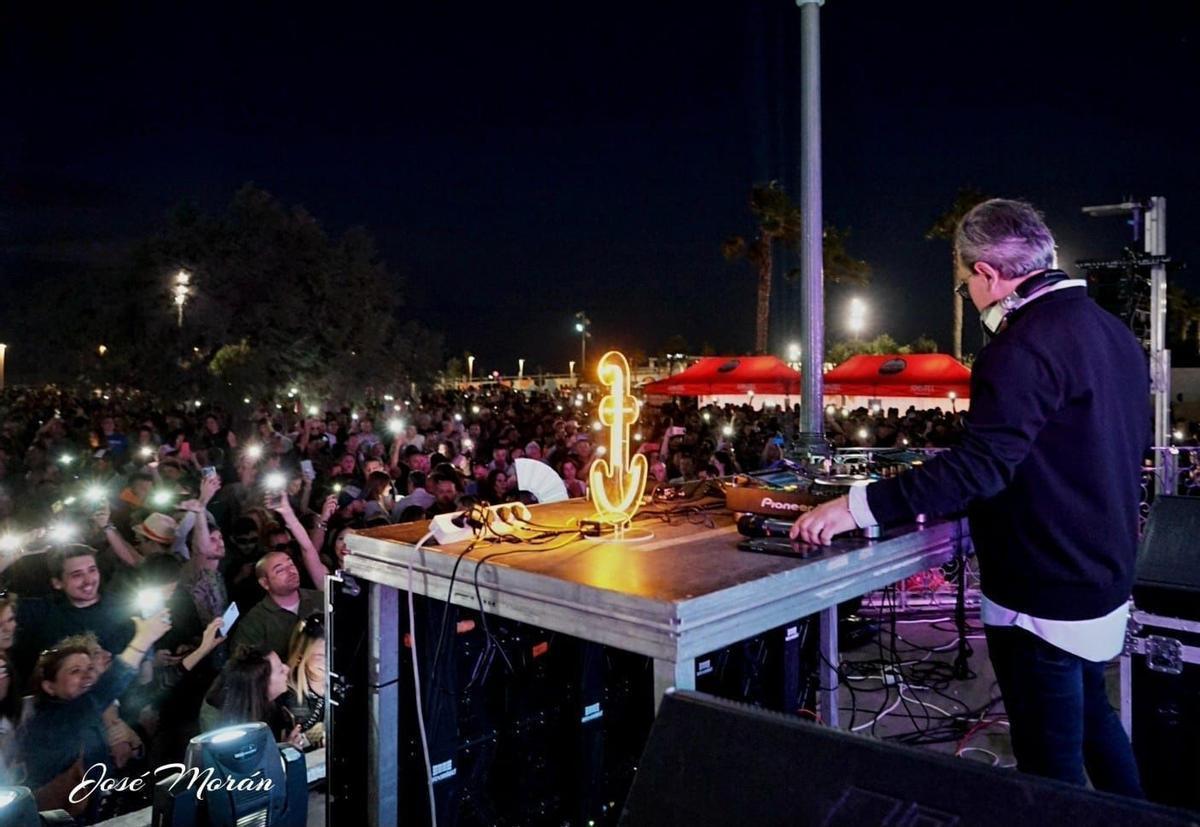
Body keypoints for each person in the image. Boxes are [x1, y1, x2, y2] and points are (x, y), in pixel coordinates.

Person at [792, 199, 1148, 797]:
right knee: (1097, 724)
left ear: (986, 273)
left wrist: (855, 507)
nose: (970, 296)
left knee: (1050, 778)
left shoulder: (1022, 346)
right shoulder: (1111, 332)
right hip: (1103, 572)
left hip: (1044, 591)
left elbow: (979, 469)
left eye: (966, 285)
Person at [15, 609, 171, 814]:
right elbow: (98, 696)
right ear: (49, 686)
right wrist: (142, 640)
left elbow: (123, 763)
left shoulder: (96, 716)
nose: (87, 676)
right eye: (75, 671)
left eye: (90, 668)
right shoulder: (49, 721)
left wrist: (135, 744)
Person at [229, 551, 323, 661]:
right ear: (265, 583)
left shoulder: (321, 599)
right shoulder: (254, 622)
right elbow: (241, 664)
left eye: (291, 565)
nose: (291, 571)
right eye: (280, 570)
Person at [283, 613, 326, 750]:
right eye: (321, 656)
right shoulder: (289, 695)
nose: (329, 662)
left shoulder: (341, 683)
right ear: (301, 656)